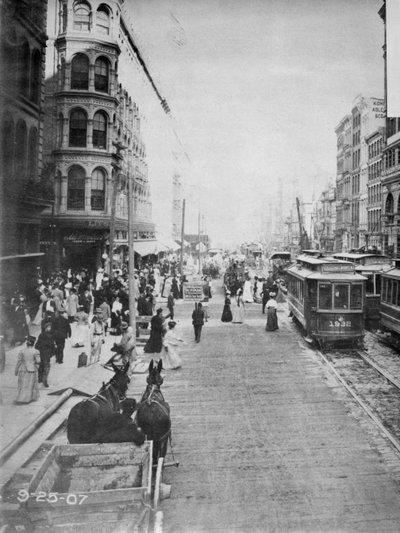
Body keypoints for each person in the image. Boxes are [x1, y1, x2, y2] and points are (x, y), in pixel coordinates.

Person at [14, 335, 40, 403]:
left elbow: (19, 361)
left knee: (22, 384)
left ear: (27, 343)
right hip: (31, 369)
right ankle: (29, 398)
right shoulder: (36, 351)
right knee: (30, 384)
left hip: (22, 369)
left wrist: (16, 369)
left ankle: (20, 398)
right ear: (33, 343)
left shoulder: (22, 351)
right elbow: (38, 361)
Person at [35, 323, 56, 387]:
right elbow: (52, 345)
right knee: (46, 367)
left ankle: (40, 378)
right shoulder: (50, 336)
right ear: (45, 328)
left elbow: (37, 345)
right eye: (48, 327)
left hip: (42, 353)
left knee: (41, 366)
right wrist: (53, 352)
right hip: (46, 354)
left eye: (50, 327)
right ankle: (44, 380)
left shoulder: (41, 335)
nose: (49, 328)